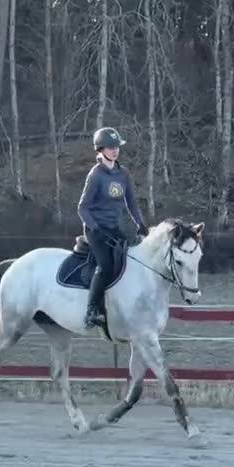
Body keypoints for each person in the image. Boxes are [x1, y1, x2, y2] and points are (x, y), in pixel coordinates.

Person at [78, 126, 148, 328]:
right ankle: (92, 311)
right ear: (100, 149)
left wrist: (140, 223)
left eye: (117, 146)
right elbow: (82, 208)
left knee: (130, 262)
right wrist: (95, 228)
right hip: (96, 231)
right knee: (106, 267)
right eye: (110, 147)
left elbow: (131, 203)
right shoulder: (95, 175)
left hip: (115, 228)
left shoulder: (123, 173)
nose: (115, 150)